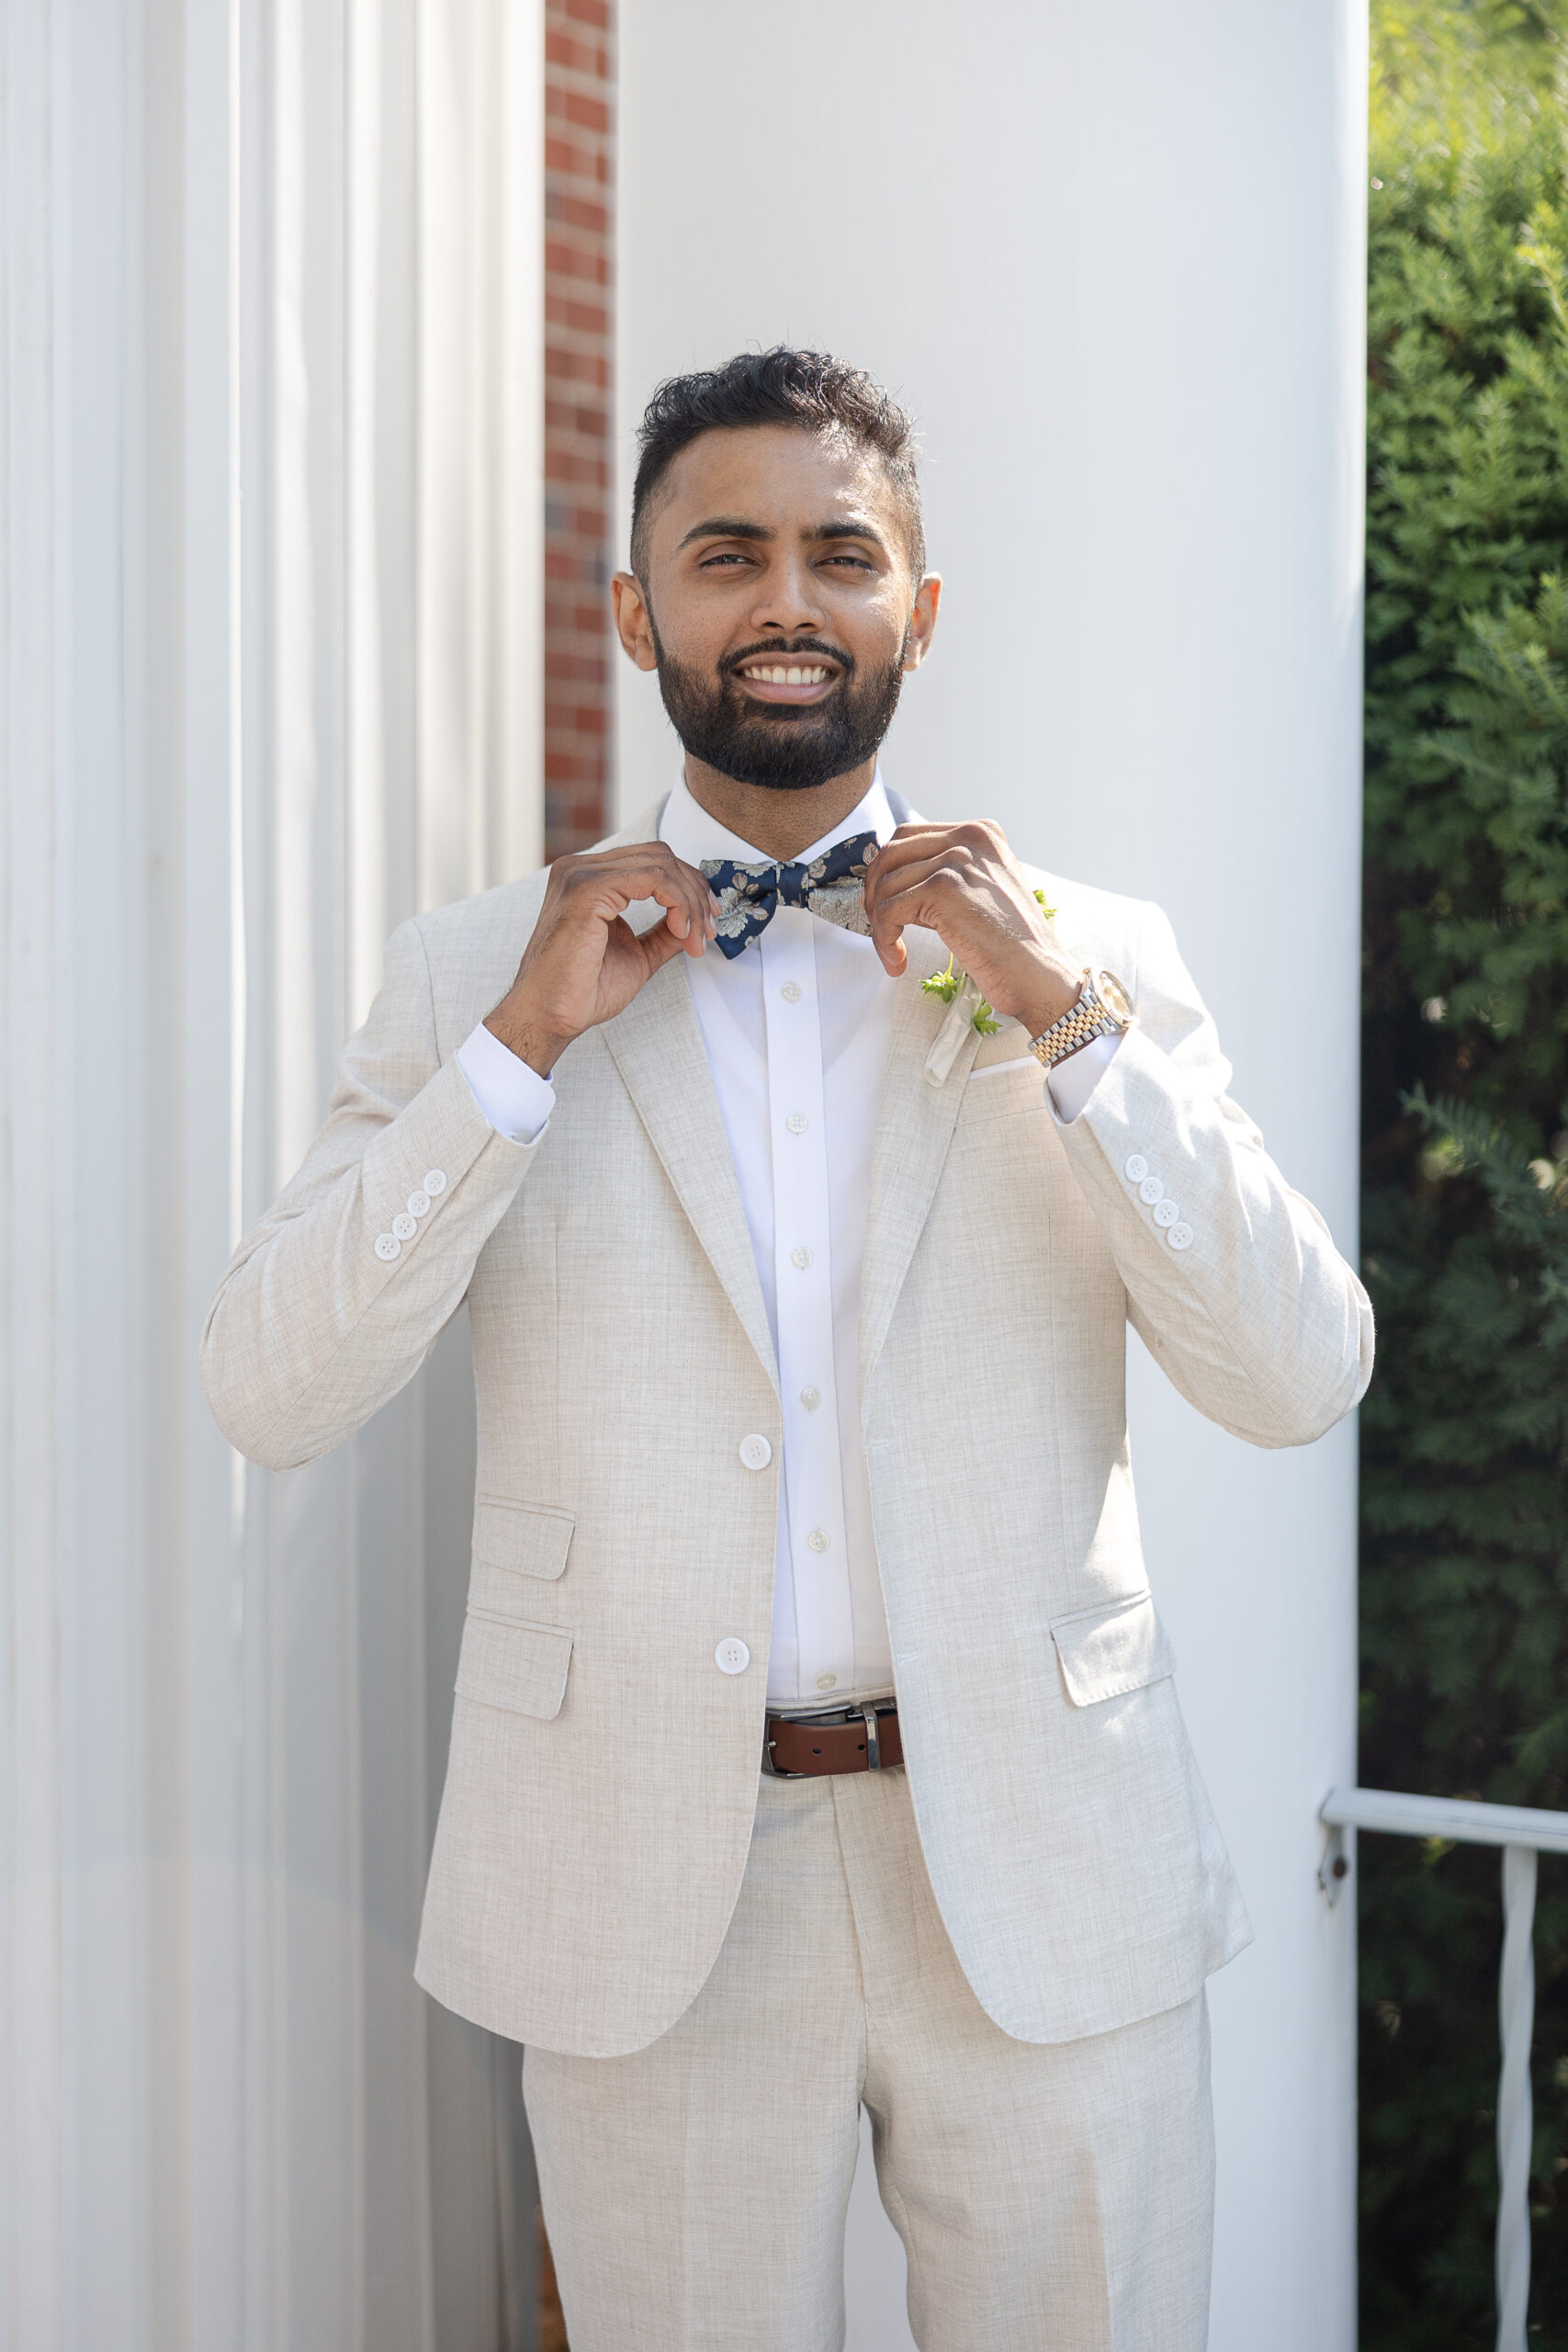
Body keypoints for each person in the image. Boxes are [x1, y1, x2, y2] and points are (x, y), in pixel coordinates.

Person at [202, 347, 1373, 2351]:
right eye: (724, 551)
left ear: (914, 610)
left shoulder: (1093, 952)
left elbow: (1295, 1370)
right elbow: (270, 1385)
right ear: (637, 612)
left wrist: (1066, 1021)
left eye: (840, 552)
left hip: (1041, 1859)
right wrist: (517, 1049)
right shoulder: (466, 972)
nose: (784, 599)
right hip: (647, 1880)